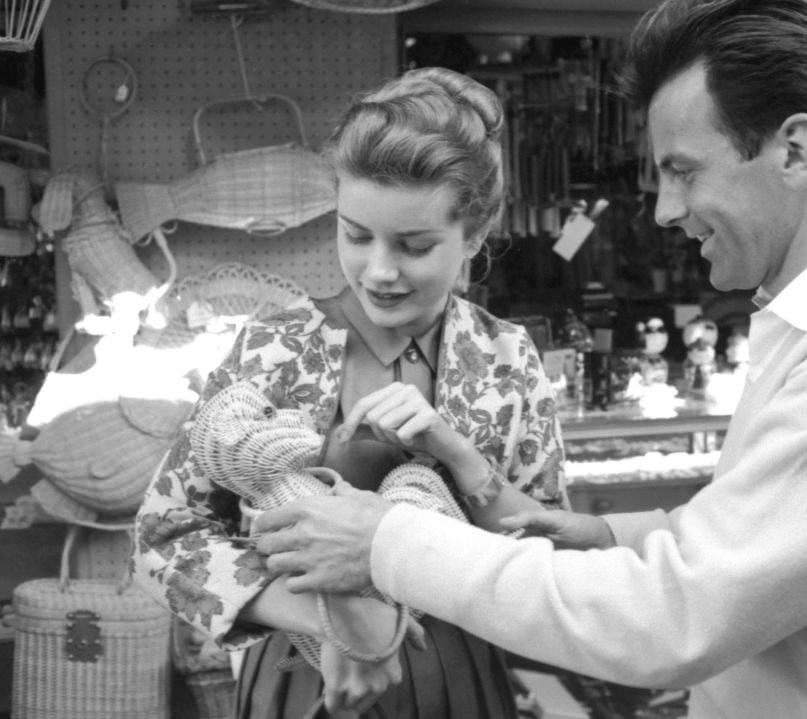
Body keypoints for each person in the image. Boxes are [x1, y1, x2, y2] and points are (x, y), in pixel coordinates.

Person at [253, 1, 807, 717]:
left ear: (794, 150)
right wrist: (612, 538)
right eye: (357, 234)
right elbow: (758, 542)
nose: (664, 209)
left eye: (683, 170)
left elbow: (671, 621)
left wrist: (383, 542)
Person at [132, 66, 569, 719]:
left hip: (453, 678)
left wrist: (457, 456)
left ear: (474, 235)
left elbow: (549, 555)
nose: (379, 270)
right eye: (355, 234)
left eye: (414, 245)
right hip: (300, 676)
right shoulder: (271, 349)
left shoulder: (506, 359)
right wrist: (333, 619)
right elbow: (161, 538)